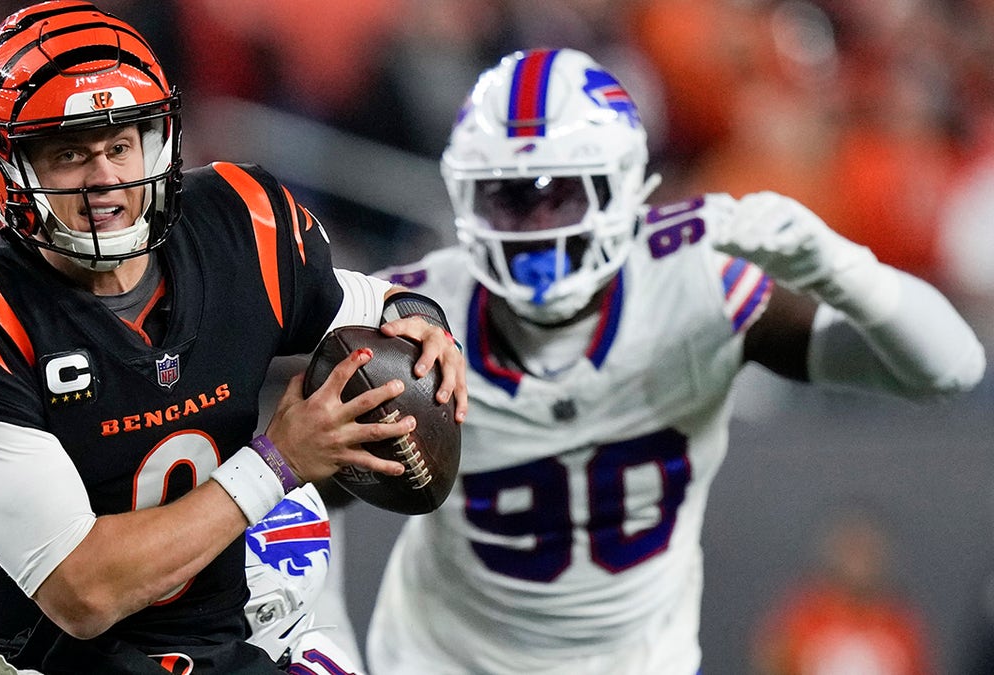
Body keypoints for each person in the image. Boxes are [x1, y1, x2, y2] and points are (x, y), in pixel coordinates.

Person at [0, 2, 467, 673]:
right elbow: (83, 591)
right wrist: (279, 462)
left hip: (228, 642)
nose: (105, 179)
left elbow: (377, 304)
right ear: (3, 164)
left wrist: (424, 324)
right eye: (69, 152)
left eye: (121, 144)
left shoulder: (241, 223)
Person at [364, 47, 985, 675]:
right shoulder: (414, 315)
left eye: (563, 197)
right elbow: (312, 491)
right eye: (511, 199)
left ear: (623, 186)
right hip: (441, 659)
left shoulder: (695, 283)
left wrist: (842, 267)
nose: (537, 230)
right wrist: (324, 632)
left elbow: (949, 369)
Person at [752, 504, 935, 675]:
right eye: (851, 548)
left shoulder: (900, 624)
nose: (858, 561)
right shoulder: (802, 616)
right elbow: (771, 662)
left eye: (867, 549)